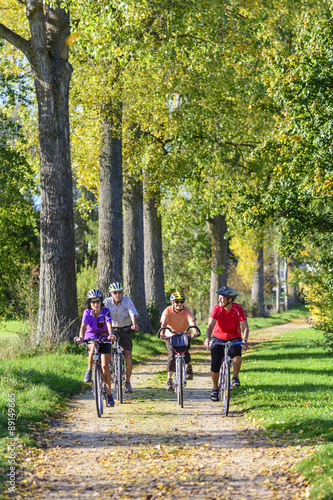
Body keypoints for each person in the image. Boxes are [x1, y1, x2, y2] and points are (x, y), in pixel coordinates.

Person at [204, 286, 249, 401]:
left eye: (222, 298)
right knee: (215, 364)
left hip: (234, 338)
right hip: (218, 338)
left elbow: (245, 327)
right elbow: (210, 326)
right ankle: (215, 389)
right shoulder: (216, 309)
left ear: (230, 299)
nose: (220, 300)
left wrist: (245, 340)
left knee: (237, 356)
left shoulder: (238, 309)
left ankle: (235, 377)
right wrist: (207, 338)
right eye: (219, 298)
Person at [75, 289, 115, 407]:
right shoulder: (87, 313)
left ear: (101, 302)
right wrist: (81, 337)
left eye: (97, 301)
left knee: (104, 366)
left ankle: (109, 394)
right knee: (93, 346)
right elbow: (83, 326)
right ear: (89, 303)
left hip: (104, 336)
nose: (95, 304)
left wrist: (111, 334)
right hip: (91, 336)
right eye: (93, 302)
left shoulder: (105, 311)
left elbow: (109, 324)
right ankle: (89, 370)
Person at [159, 291, 199, 392]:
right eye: (177, 302)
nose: (179, 304)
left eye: (181, 302)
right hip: (171, 335)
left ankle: (188, 367)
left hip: (184, 334)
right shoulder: (167, 311)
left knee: (186, 352)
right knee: (172, 355)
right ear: (172, 302)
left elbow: (191, 321)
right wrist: (163, 333)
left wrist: (194, 332)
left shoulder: (186, 311)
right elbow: (164, 322)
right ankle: (169, 379)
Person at [104, 282, 139, 394]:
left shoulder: (127, 300)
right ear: (111, 293)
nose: (118, 295)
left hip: (124, 328)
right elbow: (102, 315)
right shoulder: (106, 302)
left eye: (120, 292)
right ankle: (109, 367)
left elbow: (132, 312)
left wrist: (134, 324)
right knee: (107, 351)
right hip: (111, 329)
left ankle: (127, 382)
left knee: (128, 354)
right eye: (115, 293)